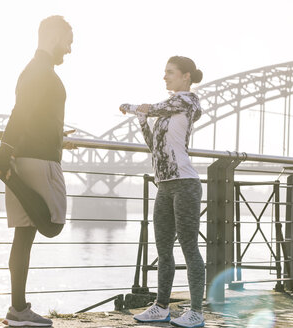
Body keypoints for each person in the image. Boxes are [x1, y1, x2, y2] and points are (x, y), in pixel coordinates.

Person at [0, 15, 73, 327]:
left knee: (24, 236)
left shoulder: (37, 70)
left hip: (30, 156)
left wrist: (58, 137)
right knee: (53, 224)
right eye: (68, 42)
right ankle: (9, 178)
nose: (69, 50)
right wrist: (3, 161)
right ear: (55, 36)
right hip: (37, 162)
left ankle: (18, 309)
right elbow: (20, 114)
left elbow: (33, 117)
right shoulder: (40, 71)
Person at [119, 56, 205, 328]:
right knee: (164, 250)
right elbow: (155, 147)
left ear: (186, 77)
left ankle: (196, 312)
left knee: (190, 248)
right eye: (165, 72)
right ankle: (161, 307)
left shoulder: (188, 101)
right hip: (165, 185)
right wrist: (142, 119)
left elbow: (156, 107)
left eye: (170, 72)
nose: (165, 77)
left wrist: (132, 107)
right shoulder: (167, 110)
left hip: (185, 184)